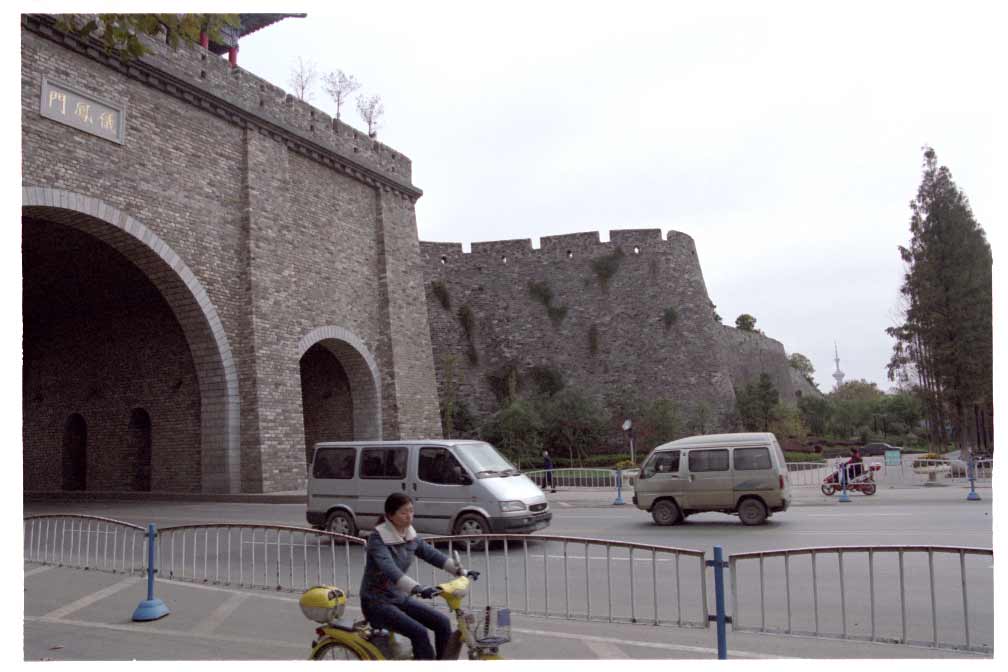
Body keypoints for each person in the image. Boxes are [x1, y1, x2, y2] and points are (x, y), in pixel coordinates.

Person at [359, 493, 471, 659]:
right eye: (404, 513)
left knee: (442, 623)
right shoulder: (378, 538)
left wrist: (461, 571)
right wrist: (418, 588)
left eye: (411, 511)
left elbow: (430, 554)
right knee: (419, 633)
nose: (409, 516)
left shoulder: (409, 534)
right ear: (390, 515)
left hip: (398, 596)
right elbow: (390, 569)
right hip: (376, 602)